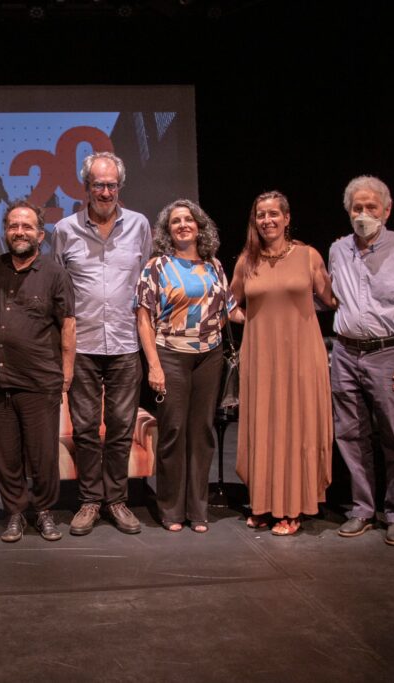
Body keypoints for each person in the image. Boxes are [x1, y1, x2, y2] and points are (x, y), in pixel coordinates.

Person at [51, 151, 152, 536]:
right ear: (86, 187)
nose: (105, 191)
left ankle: (118, 501)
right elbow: (58, 289)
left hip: (127, 344)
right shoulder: (64, 230)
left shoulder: (139, 225)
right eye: (99, 184)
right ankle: (90, 501)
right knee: (86, 428)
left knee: (122, 427)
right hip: (83, 347)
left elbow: (147, 281)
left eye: (111, 185)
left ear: (119, 186)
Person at [329, 176, 394, 546]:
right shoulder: (338, 249)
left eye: (371, 207)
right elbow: (330, 297)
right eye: (357, 207)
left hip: (390, 354)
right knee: (351, 435)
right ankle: (361, 509)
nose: (363, 214)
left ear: (386, 210)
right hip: (345, 352)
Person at [230, 191, 334, 537]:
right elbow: (229, 306)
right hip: (260, 356)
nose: (267, 220)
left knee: (297, 427)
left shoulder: (308, 256)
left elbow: (332, 299)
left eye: (274, 214)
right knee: (264, 428)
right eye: (261, 215)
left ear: (287, 218)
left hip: (302, 355)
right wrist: (255, 322)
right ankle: (263, 504)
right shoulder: (247, 261)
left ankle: (291, 508)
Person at [137, 199, 235, 534]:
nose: (183, 225)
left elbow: (228, 313)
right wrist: (154, 365)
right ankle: (171, 509)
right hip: (169, 355)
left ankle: (198, 509)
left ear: (199, 226)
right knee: (174, 432)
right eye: (175, 221)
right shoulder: (156, 267)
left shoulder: (214, 266)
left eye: (188, 220)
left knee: (202, 433)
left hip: (209, 356)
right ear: (167, 230)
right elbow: (144, 320)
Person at [0, 200, 76, 542]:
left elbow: (68, 324)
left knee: (42, 454)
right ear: (5, 231)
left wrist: (66, 373)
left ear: (40, 233)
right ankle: (15, 513)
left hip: (39, 381)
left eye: (26, 226)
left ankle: (45, 511)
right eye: (12, 226)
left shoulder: (54, 273)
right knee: (6, 455)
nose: (18, 232)